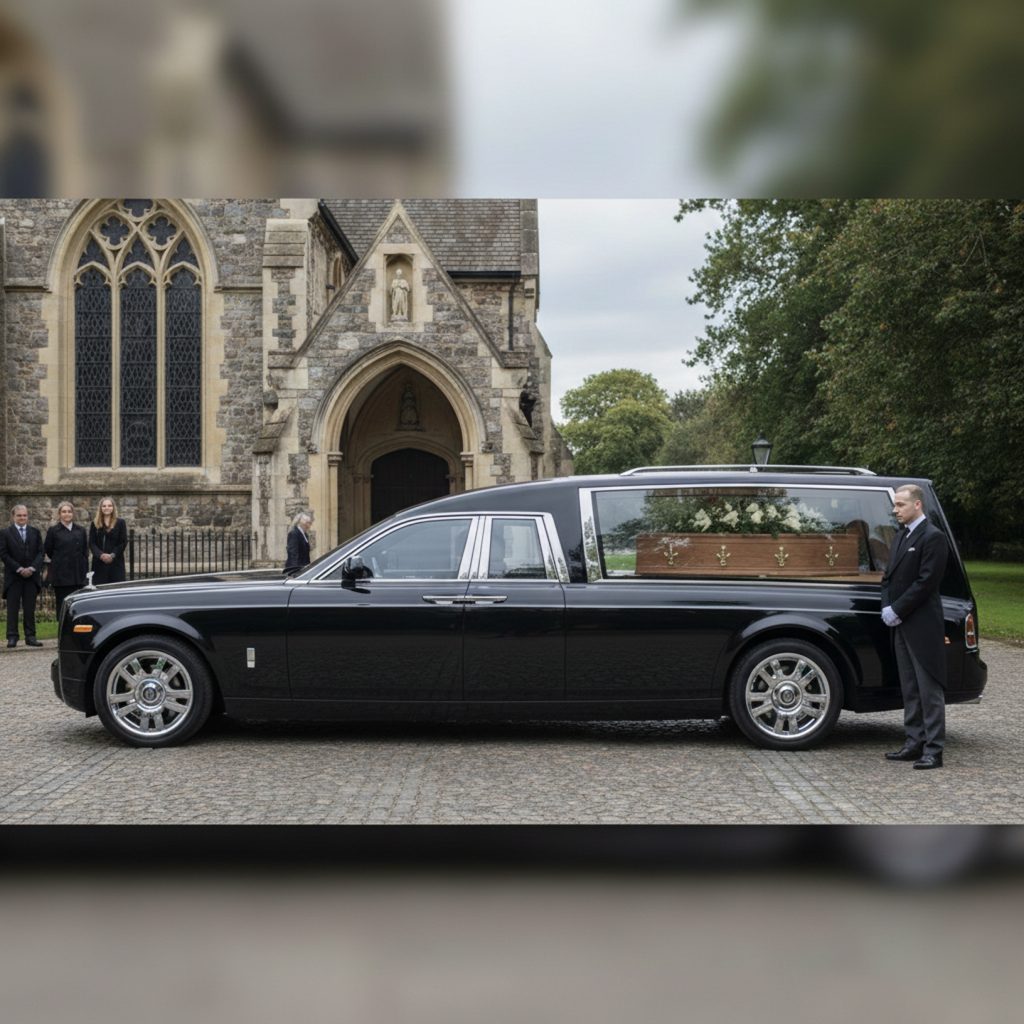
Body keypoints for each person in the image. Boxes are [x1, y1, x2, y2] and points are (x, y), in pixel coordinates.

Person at [881, 484, 950, 769]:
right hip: (900, 624)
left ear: (917, 505)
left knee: (928, 690)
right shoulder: (900, 536)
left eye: (900, 505)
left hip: (922, 625)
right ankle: (913, 743)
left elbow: (926, 583)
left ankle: (934, 750)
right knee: (909, 688)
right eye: (895, 505)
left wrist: (897, 609)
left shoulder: (934, 538)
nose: (895, 509)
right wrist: (887, 608)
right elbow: (888, 578)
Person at [1, 504, 45, 647]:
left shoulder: (35, 532)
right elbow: (4, 554)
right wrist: (19, 569)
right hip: (14, 576)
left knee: (30, 607)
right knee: (13, 608)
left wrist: (32, 568)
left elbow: (40, 552)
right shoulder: (5, 533)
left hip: (31, 576)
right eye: (19, 515)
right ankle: (12, 636)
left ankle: (30, 636)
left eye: (24, 515)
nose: (22, 518)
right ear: (13, 516)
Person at [45, 501, 89, 622]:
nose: (67, 514)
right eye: (64, 511)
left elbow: (85, 552)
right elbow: (49, 550)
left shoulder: (80, 530)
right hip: (61, 576)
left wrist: (85, 573)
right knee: (62, 605)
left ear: (73, 513)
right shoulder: (53, 531)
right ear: (59, 514)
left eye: (69, 511)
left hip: (78, 575)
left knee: (78, 606)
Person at [89, 497, 127, 585]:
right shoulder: (94, 523)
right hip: (99, 564)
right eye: (104, 506)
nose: (107, 508)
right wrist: (101, 555)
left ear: (113, 508)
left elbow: (123, 542)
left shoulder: (120, 523)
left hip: (116, 564)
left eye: (109, 506)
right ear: (101, 508)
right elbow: (92, 543)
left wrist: (112, 555)